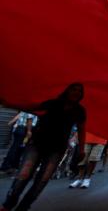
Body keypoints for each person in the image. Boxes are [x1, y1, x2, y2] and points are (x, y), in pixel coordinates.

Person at [1, 83, 86, 211]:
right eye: (73, 89)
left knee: (42, 181)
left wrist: (81, 150)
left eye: (79, 91)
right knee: (23, 175)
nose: (76, 92)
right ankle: (8, 205)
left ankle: (23, 207)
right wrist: (9, 103)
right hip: (37, 143)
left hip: (57, 149)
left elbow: (81, 130)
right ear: (67, 91)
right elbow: (31, 107)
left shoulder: (80, 111)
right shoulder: (53, 103)